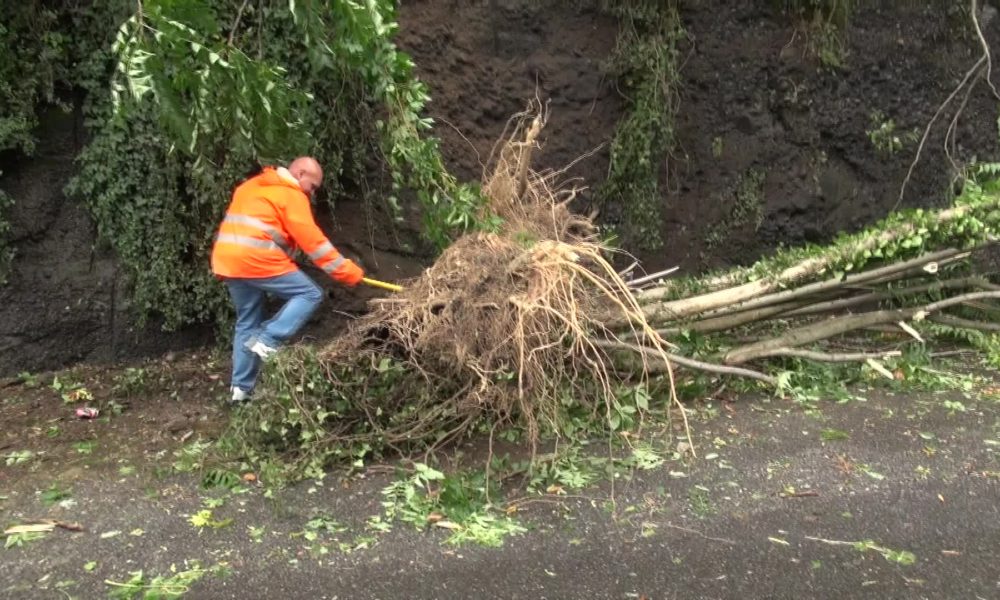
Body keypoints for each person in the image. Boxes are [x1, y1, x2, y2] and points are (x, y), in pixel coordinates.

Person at [210, 157, 364, 403]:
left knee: (247, 321)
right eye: (312, 186)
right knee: (309, 293)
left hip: (228, 261)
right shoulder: (292, 194)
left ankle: (241, 391)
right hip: (256, 259)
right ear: (300, 174)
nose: (312, 193)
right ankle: (268, 339)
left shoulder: (252, 185)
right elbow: (314, 243)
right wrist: (348, 272)